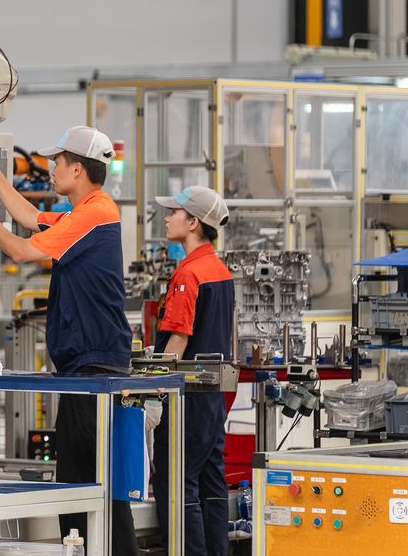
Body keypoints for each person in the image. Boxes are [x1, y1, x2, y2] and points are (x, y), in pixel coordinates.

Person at [0, 124, 136, 553]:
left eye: (57, 162)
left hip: (96, 367)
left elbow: (22, 250)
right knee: (76, 483)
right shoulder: (83, 214)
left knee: (94, 486)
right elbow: (27, 217)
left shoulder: (96, 213)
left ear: (77, 169)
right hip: (82, 367)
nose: (51, 169)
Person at [151, 186, 234, 556]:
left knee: (177, 481)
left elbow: (178, 343)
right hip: (213, 394)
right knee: (212, 481)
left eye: (174, 213)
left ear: (193, 222)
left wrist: (150, 387)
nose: (167, 218)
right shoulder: (220, 271)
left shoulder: (188, 275)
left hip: (186, 397)